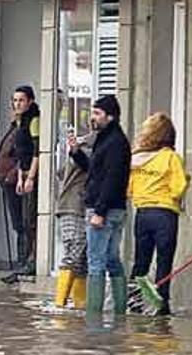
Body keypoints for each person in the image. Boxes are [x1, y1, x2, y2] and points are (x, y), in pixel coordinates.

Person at [67, 95, 131, 315]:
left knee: (96, 262)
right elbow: (95, 171)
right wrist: (76, 153)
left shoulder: (114, 142)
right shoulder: (107, 139)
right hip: (112, 208)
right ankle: (118, 313)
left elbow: (112, 179)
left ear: (110, 117)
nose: (92, 118)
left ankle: (93, 315)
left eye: (97, 113)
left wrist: (100, 211)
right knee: (112, 259)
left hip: (104, 209)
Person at [126, 112, 189, 316]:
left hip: (142, 214)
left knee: (141, 260)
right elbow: (178, 187)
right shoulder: (171, 157)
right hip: (165, 214)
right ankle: (162, 304)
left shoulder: (136, 159)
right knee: (164, 260)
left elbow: (128, 189)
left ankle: (134, 302)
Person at [0, 86, 40, 284]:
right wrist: (22, 178)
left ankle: (28, 262)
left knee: (28, 221)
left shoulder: (33, 121)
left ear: (30, 101)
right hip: (22, 175)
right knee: (22, 222)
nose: (17, 104)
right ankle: (21, 262)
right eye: (15, 100)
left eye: (21, 100)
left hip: (31, 174)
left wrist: (30, 177)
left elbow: (37, 152)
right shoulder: (19, 123)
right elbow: (21, 155)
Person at [54, 133, 92, 310]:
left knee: (80, 258)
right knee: (75, 252)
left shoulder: (80, 147)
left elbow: (60, 172)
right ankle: (60, 304)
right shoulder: (87, 150)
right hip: (74, 206)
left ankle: (79, 305)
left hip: (69, 206)